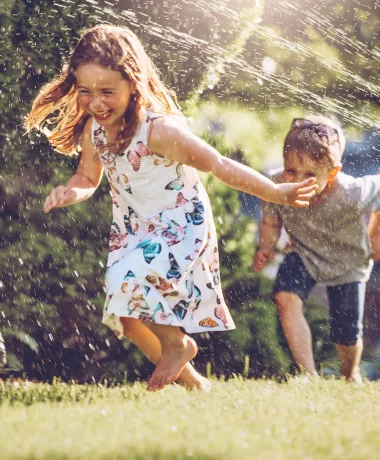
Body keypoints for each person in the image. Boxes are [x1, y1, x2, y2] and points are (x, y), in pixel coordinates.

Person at [25, 24, 317, 391]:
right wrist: (71, 192)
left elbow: (219, 165)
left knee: (125, 282)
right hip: (134, 229)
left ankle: (178, 344)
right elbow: (87, 176)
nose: (96, 102)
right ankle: (195, 384)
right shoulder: (95, 132)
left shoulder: (159, 131)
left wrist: (275, 191)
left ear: (133, 84)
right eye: (85, 92)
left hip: (180, 224)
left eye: (107, 92)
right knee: (128, 320)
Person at [254, 115, 380, 383]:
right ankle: (307, 374)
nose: (297, 181)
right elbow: (271, 219)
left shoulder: (353, 193)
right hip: (304, 253)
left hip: (348, 263)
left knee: (345, 335)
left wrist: (375, 234)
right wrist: (265, 246)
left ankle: (350, 373)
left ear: (332, 173)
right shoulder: (277, 185)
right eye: (291, 170)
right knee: (284, 297)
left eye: (309, 175)